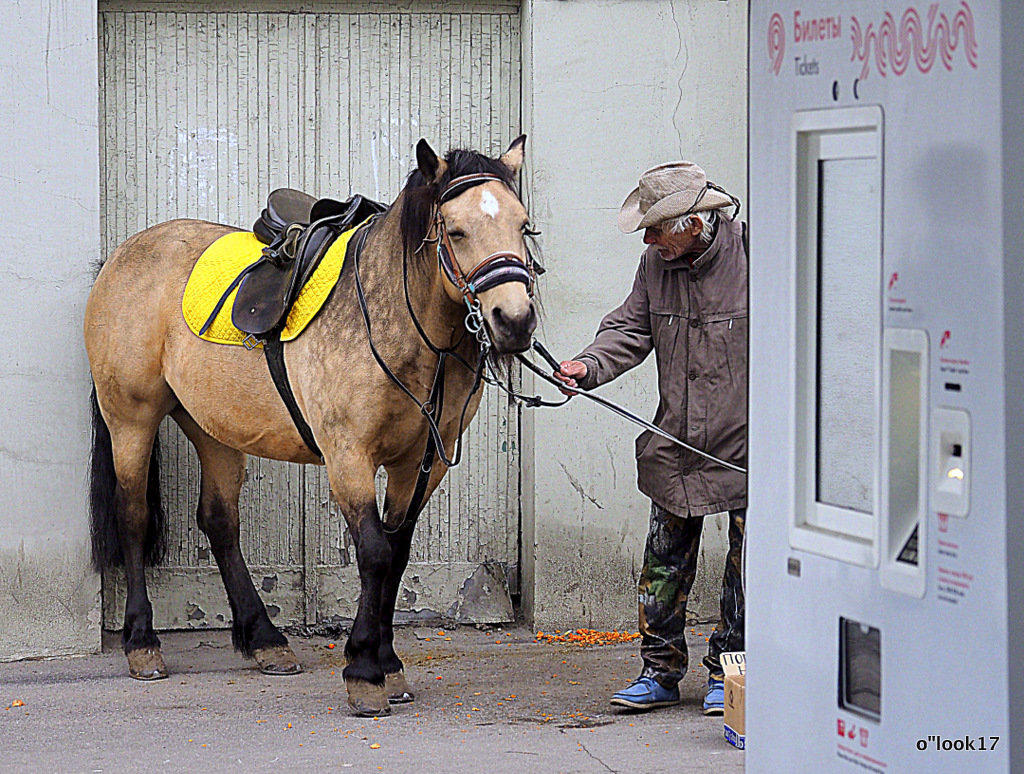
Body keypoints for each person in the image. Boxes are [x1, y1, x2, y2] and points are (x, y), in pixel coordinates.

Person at [554, 161, 747, 714]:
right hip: (677, 443)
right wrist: (587, 367)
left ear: (693, 221)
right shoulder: (654, 265)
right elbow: (628, 329)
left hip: (748, 448)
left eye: (657, 226)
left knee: (747, 572)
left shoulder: (756, 255)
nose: (648, 236)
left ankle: (729, 674)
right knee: (663, 561)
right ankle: (659, 672)